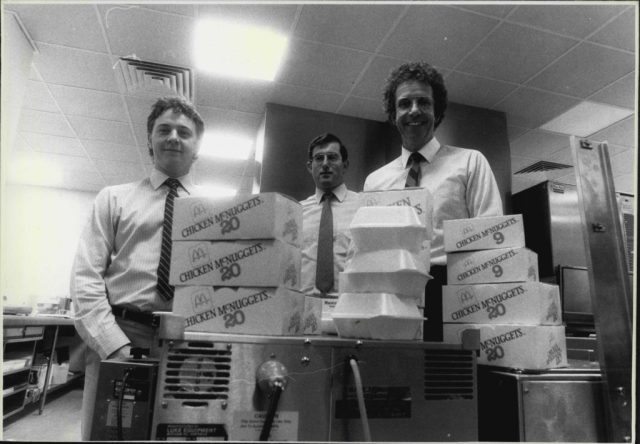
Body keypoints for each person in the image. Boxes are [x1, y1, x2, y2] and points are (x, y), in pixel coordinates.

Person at [70, 96, 204, 440]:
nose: (174, 136)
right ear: (150, 140)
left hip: (188, 347)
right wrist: (114, 346)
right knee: (112, 434)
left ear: (197, 148)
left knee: (180, 434)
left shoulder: (215, 212)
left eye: (184, 132)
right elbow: (85, 278)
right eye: (164, 129)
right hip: (120, 335)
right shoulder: (113, 198)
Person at [363, 61, 503, 341]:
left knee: (448, 381)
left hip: (452, 289)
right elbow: (370, 249)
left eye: (423, 102)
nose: (414, 110)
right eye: (404, 104)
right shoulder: (375, 182)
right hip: (392, 293)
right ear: (394, 114)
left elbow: (490, 237)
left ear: (436, 111)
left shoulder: (470, 162)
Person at [300, 133, 359, 296]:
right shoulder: (296, 212)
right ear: (309, 166)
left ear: (345, 165)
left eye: (332, 157)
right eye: (319, 158)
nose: (325, 164)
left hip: (350, 306)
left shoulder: (364, 207)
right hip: (304, 307)